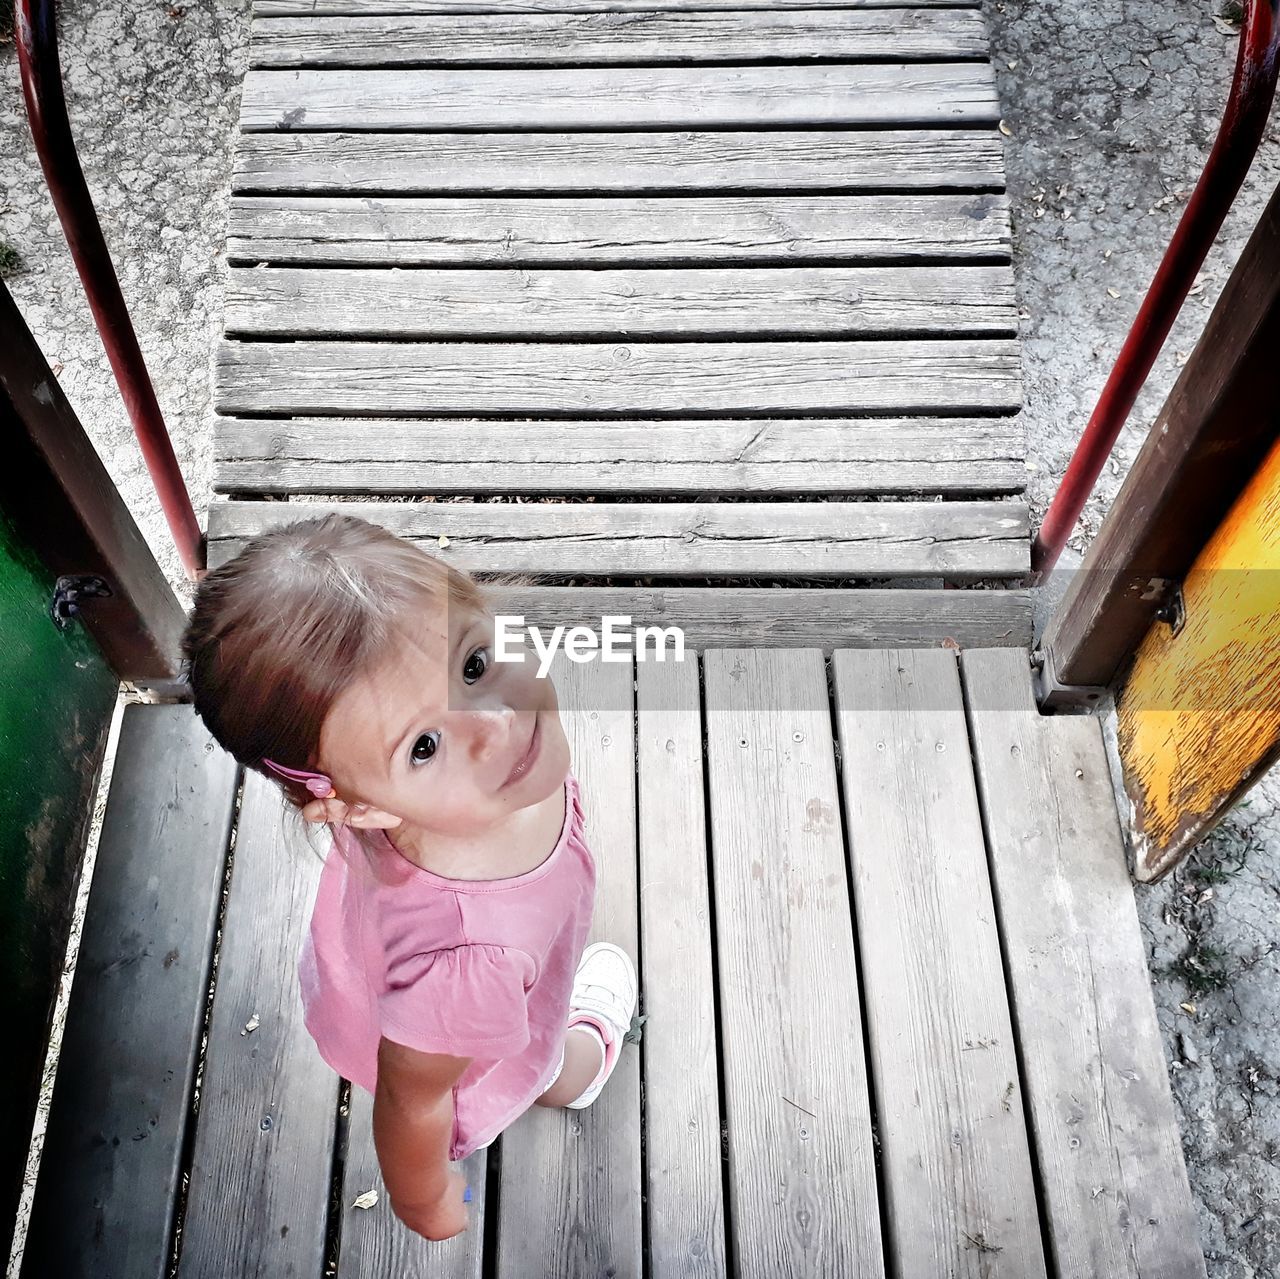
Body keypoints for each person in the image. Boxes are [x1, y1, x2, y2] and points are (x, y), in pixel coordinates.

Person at [182, 513, 638, 1242]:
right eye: (424, 744)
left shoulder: (449, 788)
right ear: (354, 805)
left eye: (474, 665)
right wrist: (422, 1198)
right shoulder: (463, 970)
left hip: (424, 971)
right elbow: (414, 1099)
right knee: (525, 1050)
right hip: (459, 1029)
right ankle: (562, 1070)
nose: (495, 722)